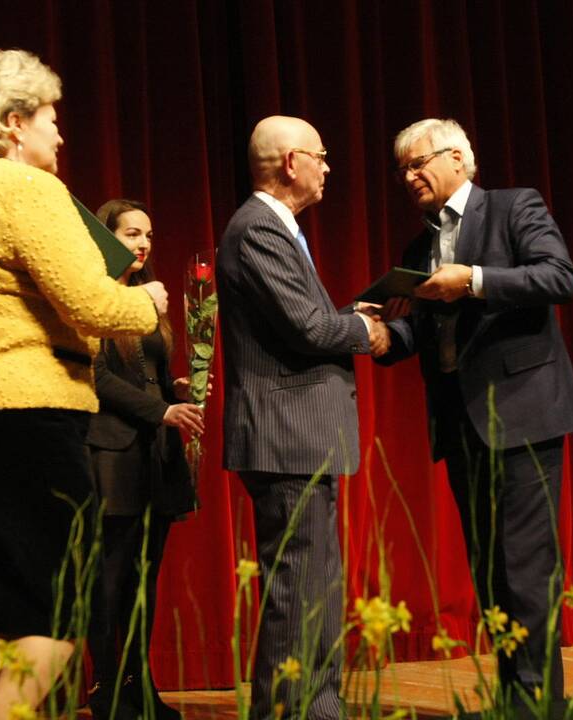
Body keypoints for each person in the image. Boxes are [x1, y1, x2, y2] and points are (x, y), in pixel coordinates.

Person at [0, 49, 168, 720]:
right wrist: (151, 302)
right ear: (12, 123)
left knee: (13, 610)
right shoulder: (26, 189)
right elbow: (92, 304)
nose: (60, 133)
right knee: (63, 608)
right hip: (28, 416)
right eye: (50, 118)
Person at [373, 118, 573, 699]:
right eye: (403, 170)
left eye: (418, 164)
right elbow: (424, 328)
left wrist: (472, 279)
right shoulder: (418, 246)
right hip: (461, 424)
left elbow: (559, 276)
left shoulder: (515, 207)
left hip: (523, 414)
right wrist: (388, 339)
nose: (409, 177)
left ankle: (535, 702)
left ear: (460, 158)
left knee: (526, 569)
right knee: (491, 572)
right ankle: (514, 694)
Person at [216, 115, 390, 719]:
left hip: (297, 438)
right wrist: (364, 329)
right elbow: (310, 329)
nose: (327, 166)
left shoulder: (276, 227)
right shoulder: (259, 227)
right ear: (291, 162)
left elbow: (301, 323)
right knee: (299, 591)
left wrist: (345, 315)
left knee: (310, 586)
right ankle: (303, 712)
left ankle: (310, 708)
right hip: (286, 438)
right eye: (321, 155)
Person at [84, 199, 203, 720]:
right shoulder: (90, 296)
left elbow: (146, 371)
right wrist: (161, 408)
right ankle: (107, 690)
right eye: (132, 234)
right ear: (106, 238)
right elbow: (95, 377)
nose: (144, 244)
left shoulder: (145, 298)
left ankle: (141, 688)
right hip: (111, 453)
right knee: (109, 581)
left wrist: (175, 386)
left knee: (144, 581)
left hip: (155, 455)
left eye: (148, 235)